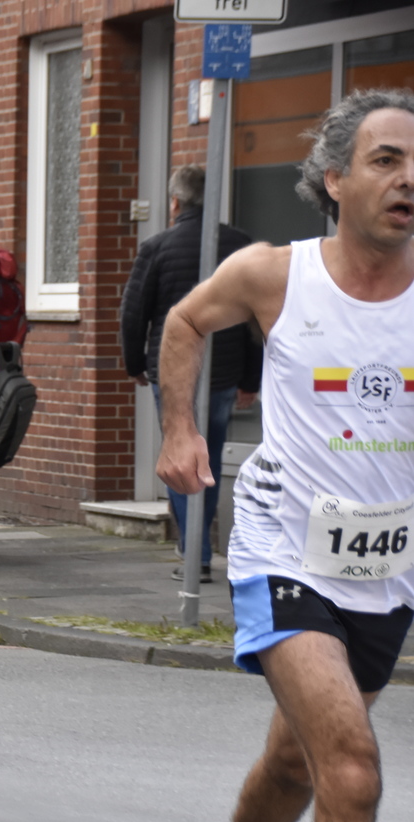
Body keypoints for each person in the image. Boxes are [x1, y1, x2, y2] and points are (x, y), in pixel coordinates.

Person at [158, 89, 414, 822]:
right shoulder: (275, 273)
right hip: (282, 546)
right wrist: (181, 431)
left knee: (298, 760)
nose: (408, 178)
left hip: (386, 565)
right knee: (351, 770)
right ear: (335, 178)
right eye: (387, 159)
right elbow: (184, 321)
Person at [121, 165, 262, 583]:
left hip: (173, 373)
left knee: (179, 454)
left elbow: (133, 315)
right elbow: (257, 320)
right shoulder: (240, 246)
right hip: (223, 374)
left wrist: (136, 366)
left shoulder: (157, 247)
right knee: (209, 457)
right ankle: (197, 550)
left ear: (176, 203)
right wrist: (250, 379)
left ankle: (195, 553)